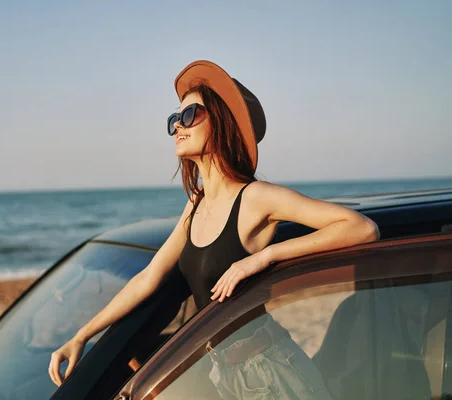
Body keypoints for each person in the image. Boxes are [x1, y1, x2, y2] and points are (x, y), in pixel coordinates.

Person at [48, 60, 380, 398]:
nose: (178, 125)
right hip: (220, 370)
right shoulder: (196, 204)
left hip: (268, 370)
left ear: (221, 123)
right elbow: (149, 278)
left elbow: (361, 228)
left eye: (190, 115)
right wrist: (82, 336)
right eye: (173, 119)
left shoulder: (256, 197)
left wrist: (263, 257)